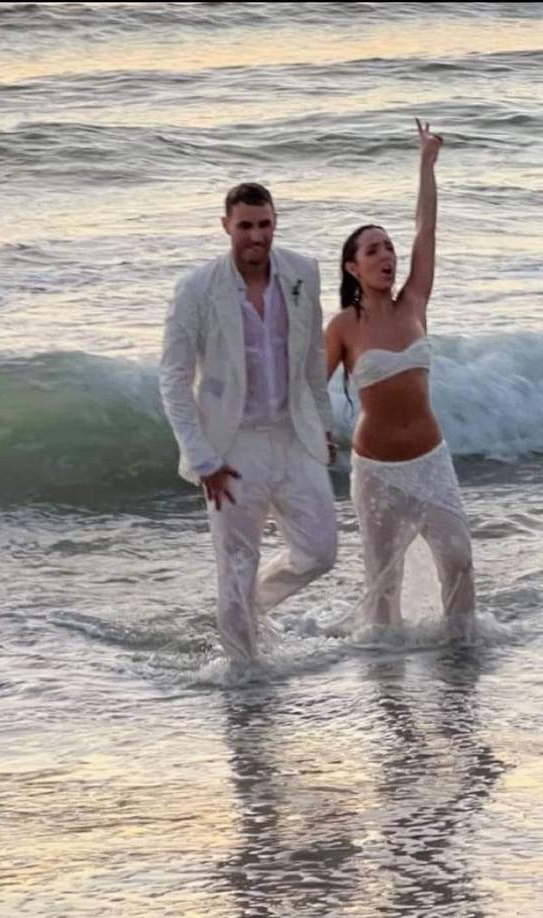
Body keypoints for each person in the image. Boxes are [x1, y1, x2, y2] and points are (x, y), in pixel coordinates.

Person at [159, 182, 337, 662]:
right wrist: (203, 459)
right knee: (235, 567)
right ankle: (242, 675)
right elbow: (173, 381)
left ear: (275, 222)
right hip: (231, 447)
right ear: (226, 227)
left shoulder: (303, 273)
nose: (257, 236)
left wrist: (321, 425)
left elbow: (313, 359)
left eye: (265, 224)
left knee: (320, 551)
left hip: (293, 436)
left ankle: (249, 607)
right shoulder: (196, 289)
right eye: (245, 226)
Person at [325, 119, 476, 641]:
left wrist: (426, 165)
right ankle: (389, 695)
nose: (387, 256)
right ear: (352, 267)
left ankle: (460, 656)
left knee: (457, 559)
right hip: (377, 474)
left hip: (431, 461)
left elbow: (425, 230)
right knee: (383, 585)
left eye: (388, 248)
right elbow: (308, 390)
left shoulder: (415, 303)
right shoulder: (343, 326)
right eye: (373, 251)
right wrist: (313, 435)